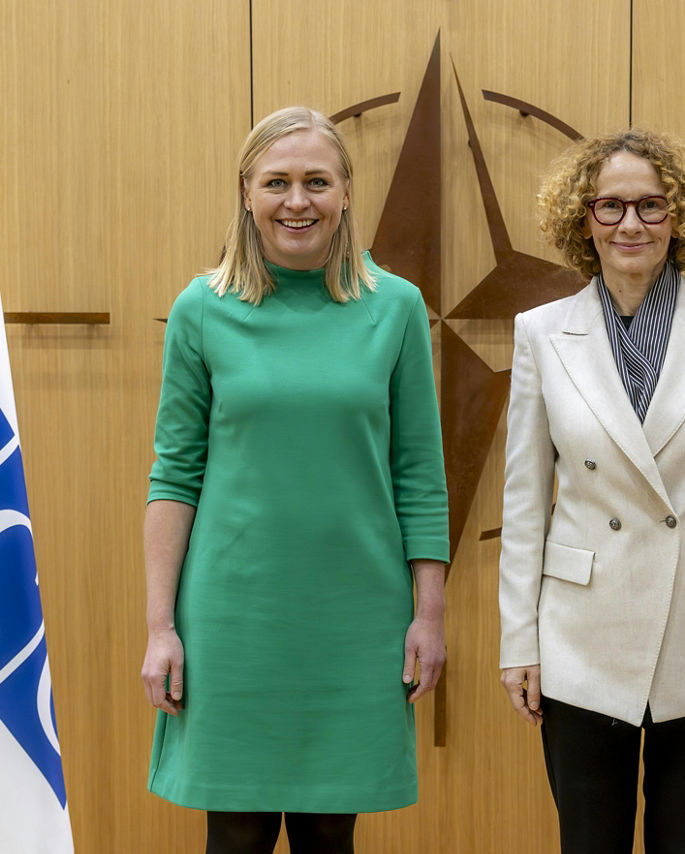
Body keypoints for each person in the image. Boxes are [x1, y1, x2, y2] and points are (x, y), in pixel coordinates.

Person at [141, 106, 449, 854]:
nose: (297, 200)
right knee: (236, 838)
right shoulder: (202, 309)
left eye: (317, 181)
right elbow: (174, 476)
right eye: (276, 181)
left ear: (346, 192)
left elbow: (419, 473)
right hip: (233, 618)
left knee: (326, 837)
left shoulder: (397, 307)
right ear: (246, 192)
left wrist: (429, 614)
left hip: (354, 618)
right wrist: (160, 627)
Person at [497, 127, 685, 854]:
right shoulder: (541, 331)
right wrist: (518, 641)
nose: (630, 223)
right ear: (583, 220)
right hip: (579, 636)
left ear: (679, 217)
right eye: (610, 206)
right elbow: (524, 500)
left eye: (651, 206)